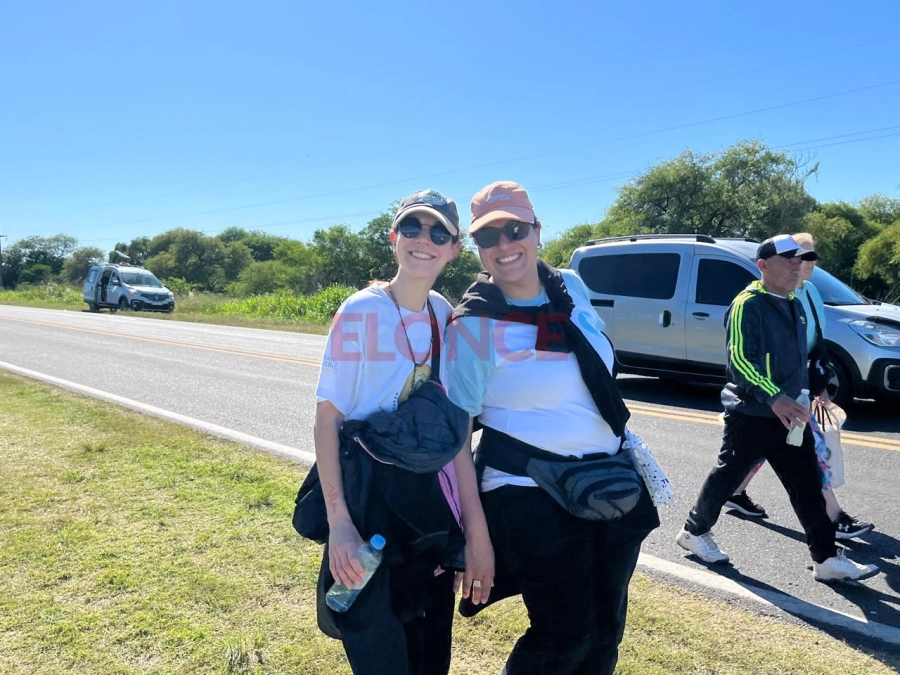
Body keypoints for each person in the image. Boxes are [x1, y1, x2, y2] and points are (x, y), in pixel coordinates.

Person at [445, 181, 660, 675]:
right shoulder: (474, 325)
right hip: (528, 492)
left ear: (537, 230)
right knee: (565, 635)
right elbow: (456, 436)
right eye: (488, 237)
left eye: (515, 230)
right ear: (477, 248)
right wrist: (475, 535)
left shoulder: (571, 287)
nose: (504, 245)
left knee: (606, 632)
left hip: (608, 482)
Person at [312, 189, 494, 675]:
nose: (423, 240)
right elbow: (327, 419)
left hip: (425, 512)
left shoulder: (446, 315)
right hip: (367, 507)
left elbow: (455, 432)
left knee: (430, 657)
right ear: (394, 238)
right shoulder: (360, 311)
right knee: (379, 649)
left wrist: (472, 532)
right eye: (412, 228)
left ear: (454, 249)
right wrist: (339, 523)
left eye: (439, 233)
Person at [676, 234, 879, 583]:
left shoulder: (795, 304)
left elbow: (802, 357)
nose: (796, 267)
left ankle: (826, 559)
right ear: (763, 265)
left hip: (791, 415)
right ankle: (694, 532)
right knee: (727, 476)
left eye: (800, 261)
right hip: (752, 414)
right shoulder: (747, 304)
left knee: (808, 484)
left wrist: (813, 391)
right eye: (788, 260)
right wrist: (774, 396)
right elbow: (740, 360)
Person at [723, 232, 874, 540]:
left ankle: (731, 493)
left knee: (765, 452)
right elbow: (742, 357)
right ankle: (832, 519)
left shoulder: (810, 293)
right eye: (797, 258)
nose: (805, 263)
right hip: (774, 390)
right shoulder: (760, 299)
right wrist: (774, 394)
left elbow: (814, 341)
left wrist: (819, 383)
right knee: (806, 454)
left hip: (799, 386)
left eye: (809, 256)